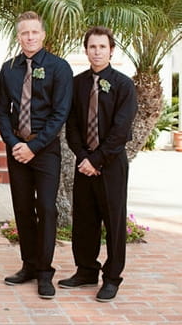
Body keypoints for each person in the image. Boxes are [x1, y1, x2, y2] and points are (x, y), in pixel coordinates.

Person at [0, 11, 73, 299]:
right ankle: (28, 265)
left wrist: (34, 146)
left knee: (47, 209)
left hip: (45, 149)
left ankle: (45, 272)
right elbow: (1, 111)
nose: (29, 37)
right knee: (23, 209)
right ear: (18, 36)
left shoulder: (59, 67)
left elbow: (60, 113)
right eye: (24, 33)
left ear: (43, 34)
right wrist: (14, 142)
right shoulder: (9, 68)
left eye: (34, 32)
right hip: (17, 148)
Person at [59, 26, 137, 302]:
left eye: (102, 47)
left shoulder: (124, 85)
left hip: (111, 164)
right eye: (92, 47)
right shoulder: (77, 83)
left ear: (111, 50)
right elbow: (73, 126)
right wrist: (83, 158)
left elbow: (121, 130)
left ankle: (112, 277)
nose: (97, 52)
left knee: (113, 222)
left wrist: (97, 159)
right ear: (86, 50)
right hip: (84, 164)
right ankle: (86, 270)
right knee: (84, 220)